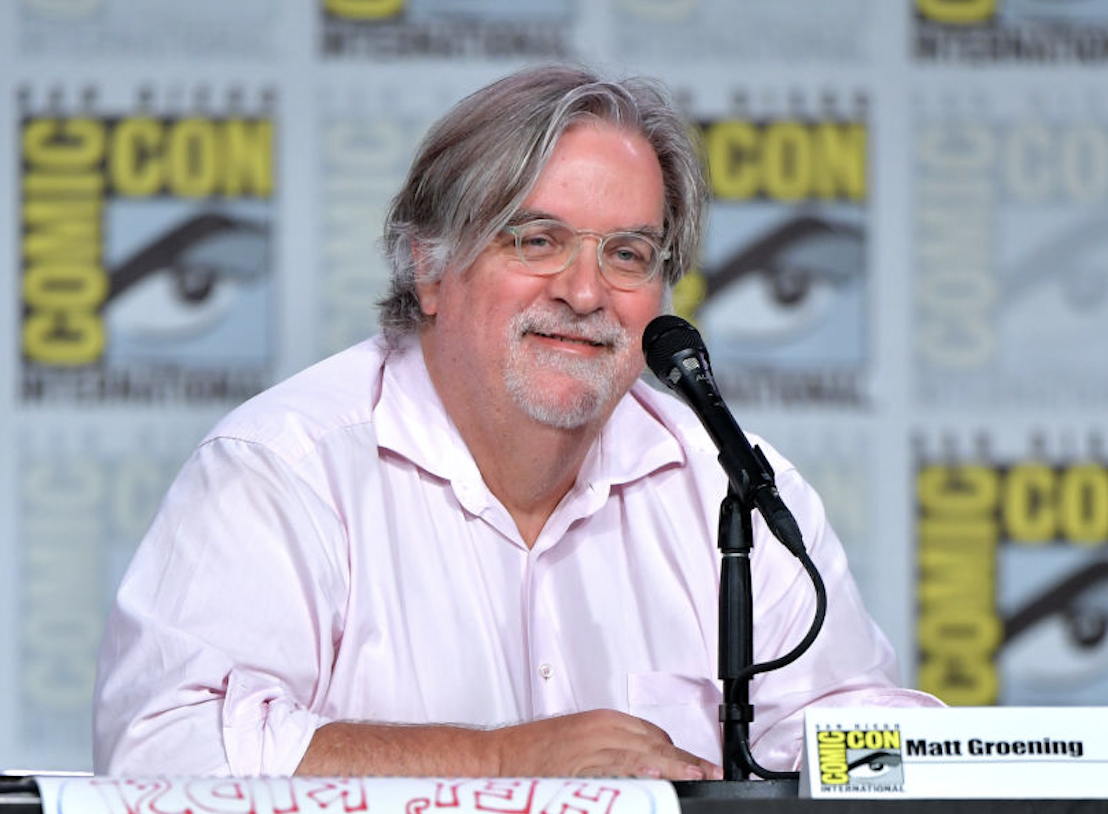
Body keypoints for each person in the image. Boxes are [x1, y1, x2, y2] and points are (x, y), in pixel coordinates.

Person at [93, 64, 941, 780]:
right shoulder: (282, 470)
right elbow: (159, 751)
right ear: (429, 266)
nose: (583, 292)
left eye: (628, 255)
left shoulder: (731, 486)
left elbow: (856, 741)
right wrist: (501, 762)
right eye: (537, 241)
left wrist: (964, 756)